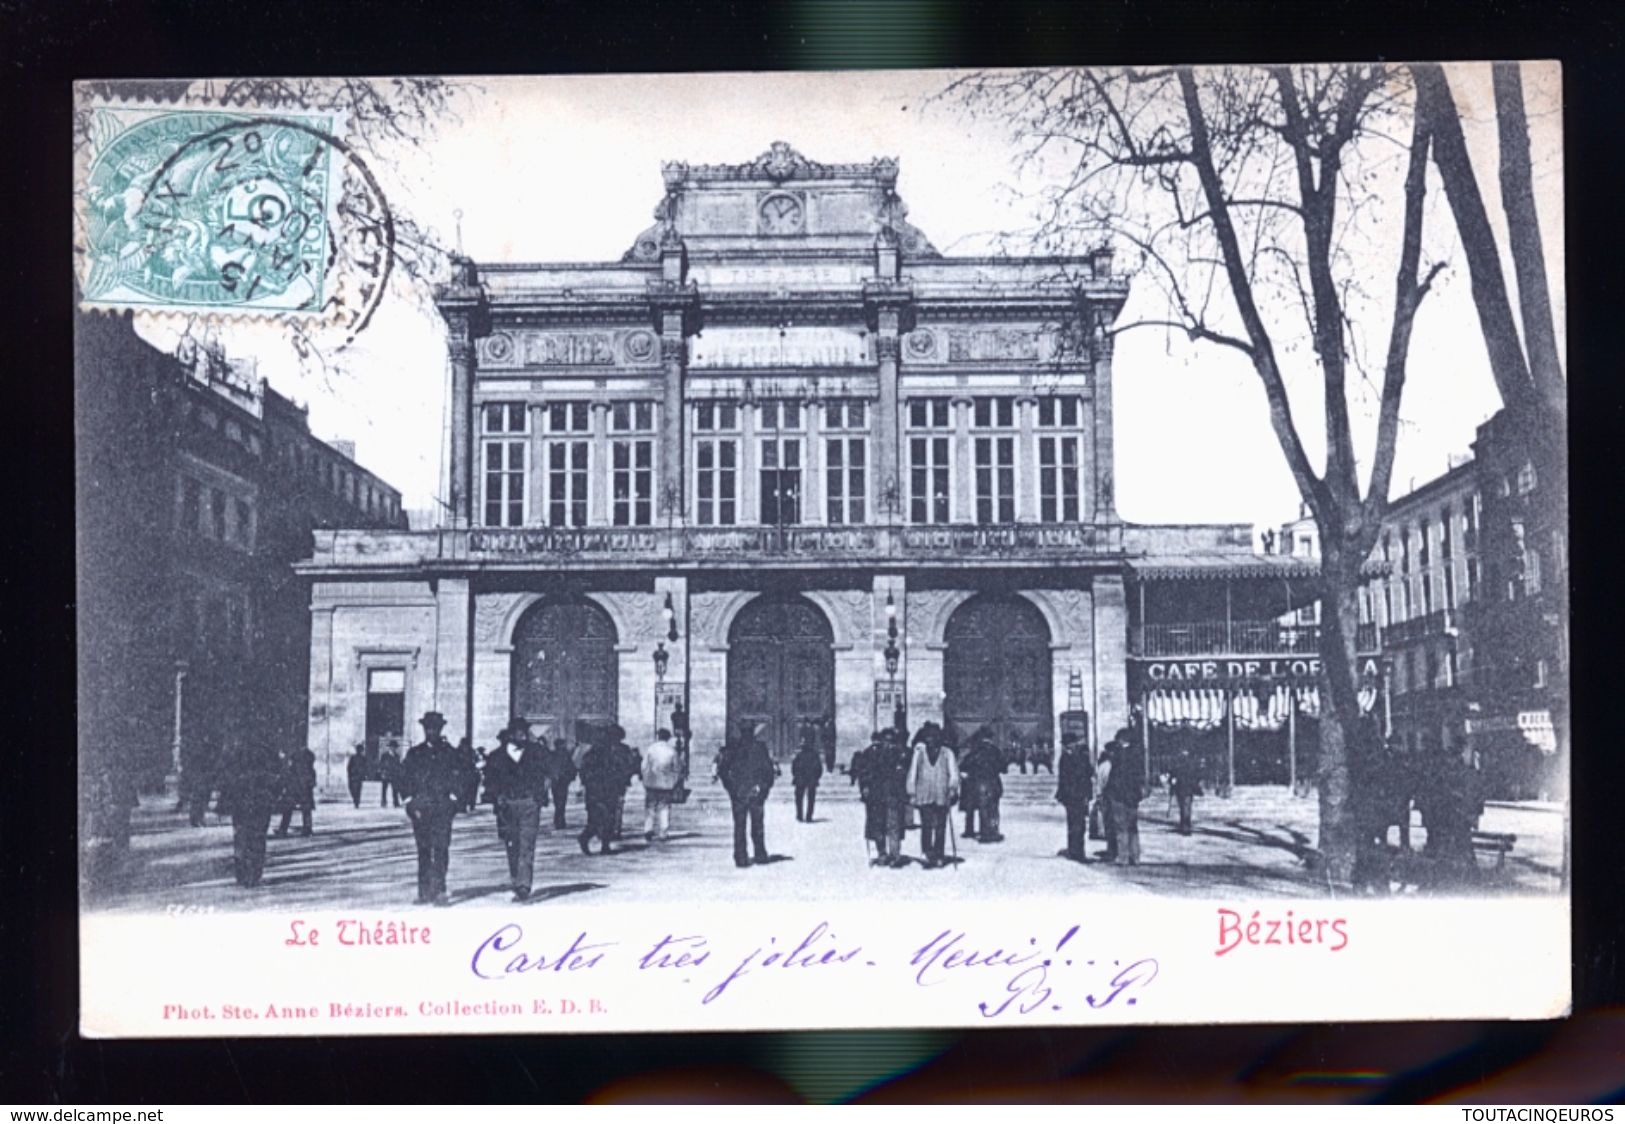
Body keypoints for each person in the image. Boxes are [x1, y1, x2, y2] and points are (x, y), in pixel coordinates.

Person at [483, 720, 552, 900]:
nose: (522, 735)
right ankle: (516, 878)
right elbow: (489, 782)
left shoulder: (537, 752)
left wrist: (540, 795)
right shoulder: (496, 756)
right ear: (510, 734)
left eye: (524, 731)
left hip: (529, 803)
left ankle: (524, 885)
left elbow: (550, 771)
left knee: (527, 845)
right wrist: (497, 797)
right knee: (512, 844)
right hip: (506, 806)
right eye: (518, 731)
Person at [400, 711, 462, 904]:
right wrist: (409, 801)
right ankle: (424, 891)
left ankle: (440, 888)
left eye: (435, 728)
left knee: (441, 848)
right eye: (428, 728)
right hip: (421, 808)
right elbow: (404, 777)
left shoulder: (450, 753)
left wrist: (454, 799)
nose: (431, 732)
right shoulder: (415, 753)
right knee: (424, 850)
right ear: (424, 730)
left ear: (440, 729)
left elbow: (460, 776)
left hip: (443, 807)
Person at [716, 723, 776, 868]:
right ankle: (760, 854)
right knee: (757, 825)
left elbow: (723, 771)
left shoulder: (733, 748)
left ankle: (740, 857)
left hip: (739, 793)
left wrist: (731, 788)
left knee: (739, 826)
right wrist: (763, 789)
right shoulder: (760, 748)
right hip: (755, 792)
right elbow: (769, 771)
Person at [218, 748, 278, 888]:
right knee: (257, 838)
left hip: (242, 803)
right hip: (260, 803)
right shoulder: (267, 751)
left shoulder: (236, 752)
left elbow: (225, 779)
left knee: (241, 838)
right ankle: (254, 875)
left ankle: (243, 874)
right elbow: (278, 778)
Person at [906, 724, 960, 869]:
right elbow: (913, 773)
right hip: (924, 793)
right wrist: (911, 792)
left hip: (942, 794)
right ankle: (927, 852)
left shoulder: (947, 753)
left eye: (934, 737)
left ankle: (939, 854)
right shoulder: (919, 753)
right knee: (926, 825)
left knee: (941, 826)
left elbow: (953, 772)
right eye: (928, 737)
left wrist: (953, 788)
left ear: (939, 738)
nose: (931, 740)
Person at [577, 732, 632, 856]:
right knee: (606, 819)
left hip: (595, 793)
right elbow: (619, 772)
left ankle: (601, 844)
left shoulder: (589, 755)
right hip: (605, 792)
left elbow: (583, 774)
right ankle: (591, 840)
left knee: (598, 819)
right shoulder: (609, 756)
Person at [1101, 730, 1145, 865]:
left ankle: (1123, 856)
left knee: (1121, 827)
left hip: (1119, 796)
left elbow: (1114, 778)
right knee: (1133, 827)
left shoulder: (1118, 756)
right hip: (1133, 796)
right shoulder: (1138, 755)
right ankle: (1135, 856)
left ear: (1121, 740)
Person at [641, 728, 685, 842]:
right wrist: (674, 781)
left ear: (658, 736)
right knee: (664, 807)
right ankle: (663, 832)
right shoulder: (672, 751)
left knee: (650, 807)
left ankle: (648, 829)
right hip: (666, 784)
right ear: (668, 737)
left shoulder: (651, 749)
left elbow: (644, 766)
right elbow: (677, 768)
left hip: (651, 782)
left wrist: (645, 779)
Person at [1055, 734, 1095, 861]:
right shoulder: (1075, 758)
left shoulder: (1068, 757)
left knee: (1076, 824)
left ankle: (1075, 850)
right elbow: (1085, 774)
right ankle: (1077, 852)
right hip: (1075, 796)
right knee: (1077, 824)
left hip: (1073, 796)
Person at [274, 746, 317, 837]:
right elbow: (313, 781)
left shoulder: (294, 768)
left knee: (288, 809)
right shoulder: (310, 769)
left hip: (294, 789)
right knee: (306, 809)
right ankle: (307, 829)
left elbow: (287, 777)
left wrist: (284, 786)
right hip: (305, 789)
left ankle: (283, 829)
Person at [791, 727, 824, 822]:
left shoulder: (799, 756)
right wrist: (816, 777)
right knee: (811, 799)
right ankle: (809, 816)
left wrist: (796, 776)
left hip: (800, 779)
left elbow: (794, 767)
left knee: (799, 798)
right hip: (811, 779)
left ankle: (799, 815)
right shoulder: (815, 756)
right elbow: (819, 769)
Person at [1169, 747, 1203, 836]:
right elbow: (1197, 775)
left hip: (1180, 787)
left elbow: (1172, 775)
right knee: (1186, 807)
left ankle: (1185, 826)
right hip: (1187, 788)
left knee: (1183, 807)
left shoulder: (1177, 763)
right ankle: (1185, 825)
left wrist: (1172, 782)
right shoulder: (1191, 763)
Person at [546, 737, 576, 829]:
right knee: (561, 802)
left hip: (557, 781)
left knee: (558, 801)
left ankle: (559, 820)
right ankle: (560, 821)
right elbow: (571, 768)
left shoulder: (553, 755)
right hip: (562, 781)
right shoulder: (565, 756)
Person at [455, 736, 481, 814]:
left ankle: (471, 805)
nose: (465, 746)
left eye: (466, 745)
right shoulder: (457, 752)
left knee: (472, 790)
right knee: (462, 791)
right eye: (463, 744)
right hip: (461, 774)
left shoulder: (472, 751)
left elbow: (477, 760)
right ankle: (462, 806)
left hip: (471, 773)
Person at [378, 743, 402, 808]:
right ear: (390, 747)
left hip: (394, 775)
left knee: (395, 789)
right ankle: (383, 802)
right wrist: (382, 772)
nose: (393, 748)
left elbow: (398, 765)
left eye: (394, 747)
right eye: (392, 747)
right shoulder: (384, 755)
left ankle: (396, 803)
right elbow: (381, 764)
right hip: (386, 774)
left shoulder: (397, 756)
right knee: (384, 789)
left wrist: (399, 772)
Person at [346, 744, 368, 809]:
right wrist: (349, 774)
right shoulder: (353, 757)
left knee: (358, 789)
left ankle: (356, 802)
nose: (361, 751)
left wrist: (365, 775)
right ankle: (355, 799)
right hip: (352, 776)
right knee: (351, 789)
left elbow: (366, 767)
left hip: (359, 776)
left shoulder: (363, 758)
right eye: (360, 750)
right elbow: (349, 767)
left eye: (361, 750)